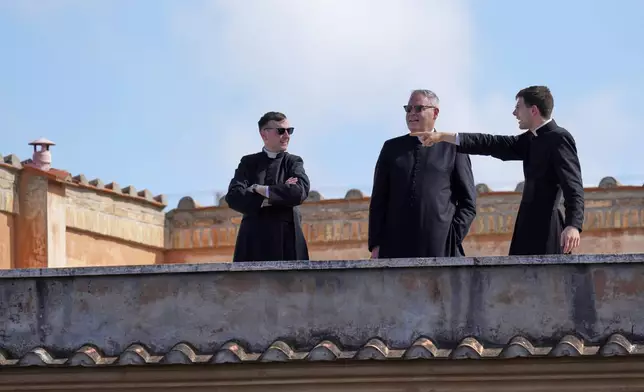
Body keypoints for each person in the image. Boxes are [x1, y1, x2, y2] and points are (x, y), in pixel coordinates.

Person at [413, 85, 584, 255]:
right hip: (526, 226)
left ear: (533, 110)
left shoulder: (559, 138)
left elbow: (573, 186)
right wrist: (442, 137)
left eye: (518, 107)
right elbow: (490, 143)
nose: (514, 113)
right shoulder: (531, 139)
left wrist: (573, 225)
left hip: (548, 228)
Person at [368, 89, 477, 259]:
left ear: (435, 112)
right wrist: (376, 244)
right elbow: (379, 200)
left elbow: (468, 202)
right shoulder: (391, 148)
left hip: (440, 248)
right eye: (408, 109)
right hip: (395, 248)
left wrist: (451, 237)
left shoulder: (454, 148)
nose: (412, 113)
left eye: (418, 108)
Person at [225, 111, 310, 262]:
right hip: (253, 244)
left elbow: (299, 192)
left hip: (287, 243)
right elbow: (234, 197)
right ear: (264, 134)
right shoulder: (248, 163)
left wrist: (259, 189)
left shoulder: (293, 162)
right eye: (280, 131)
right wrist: (280, 193)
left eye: (289, 131)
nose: (286, 136)